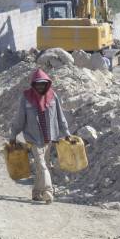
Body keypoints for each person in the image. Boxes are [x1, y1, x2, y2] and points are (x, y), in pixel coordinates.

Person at [9, 69, 72, 203]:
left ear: (47, 84)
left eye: (43, 84)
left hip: (49, 137)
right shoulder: (26, 98)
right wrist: (13, 135)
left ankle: (36, 193)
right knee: (42, 165)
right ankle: (48, 191)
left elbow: (60, 117)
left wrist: (66, 133)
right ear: (33, 84)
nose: (40, 87)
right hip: (33, 138)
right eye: (38, 84)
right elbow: (20, 119)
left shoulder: (53, 97)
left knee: (43, 166)